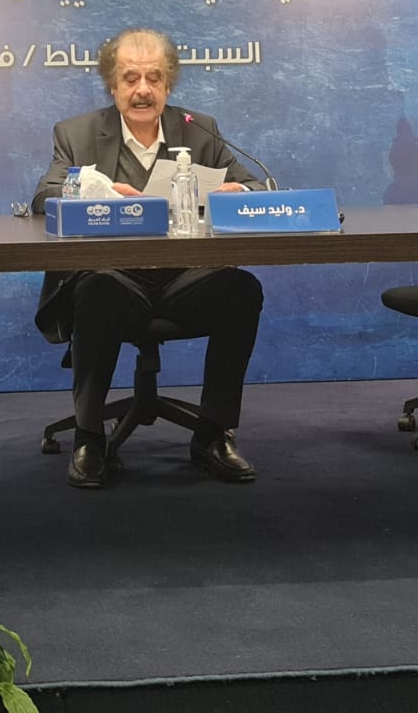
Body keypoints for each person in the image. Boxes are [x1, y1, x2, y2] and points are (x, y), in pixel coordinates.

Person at [31, 27, 264, 490]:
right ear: (112, 85)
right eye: (130, 78)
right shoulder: (76, 134)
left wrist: (237, 190)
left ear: (168, 84)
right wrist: (97, 191)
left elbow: (257, 185)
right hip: (114, 281)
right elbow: (45, 196)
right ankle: (89, 437)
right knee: (97, 288)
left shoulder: (199, 129)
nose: (143, 90)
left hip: (184, 280)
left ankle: (213, 433)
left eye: (154, 78)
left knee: (242, 290)